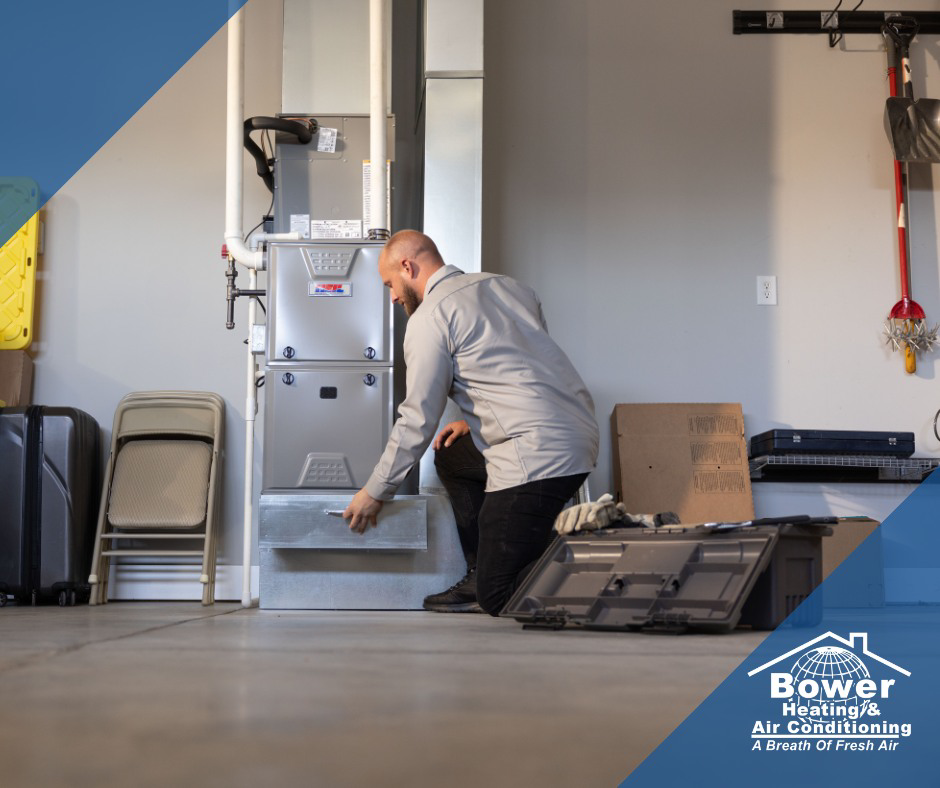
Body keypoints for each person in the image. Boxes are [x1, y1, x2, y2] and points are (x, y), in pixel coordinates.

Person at [343, 230, 599, 615]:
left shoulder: (430, 316)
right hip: (578, 435)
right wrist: (471, 419)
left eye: (390, 284)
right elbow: (520, 367)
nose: (393, 297)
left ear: (408, 267)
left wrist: (376, 490)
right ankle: (486, 567)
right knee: (452, 456)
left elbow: (417, 419)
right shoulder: (510, 288)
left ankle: (601, 554)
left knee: (498, 596)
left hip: (534, 455)